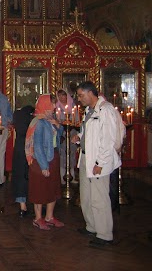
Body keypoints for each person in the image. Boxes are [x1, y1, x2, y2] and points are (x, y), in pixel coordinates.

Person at [73, 81, 123, 247]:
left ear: (90, 93)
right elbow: (88, 132)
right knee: (86, 196)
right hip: (86, 158)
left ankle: (104, 234)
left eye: (81, 95)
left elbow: (107, 140)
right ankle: (92, 226)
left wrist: (100, 163)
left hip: (98, 161)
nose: (79, 99)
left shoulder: (105, 110)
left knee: (99, 198)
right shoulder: (89, 110)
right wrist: (79, 138)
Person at [25, 94, 64, 230]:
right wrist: (43, 165)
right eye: (52, 104)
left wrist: (58, 126)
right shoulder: (39, 122)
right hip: (40, 160)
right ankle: (38, 218)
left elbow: (59, 136)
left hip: (52, 156)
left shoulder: (50, 119)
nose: (55, 106)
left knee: (52, 187)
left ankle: (49, 216)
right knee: (40, 189)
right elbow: (38, 146)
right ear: (45, 104)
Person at [11, 105, 35, 217]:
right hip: (29, 147)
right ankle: (35, 204)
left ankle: (22, 206)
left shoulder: (18, 116)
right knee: (29, 175)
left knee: (20, 175)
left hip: (19, 147)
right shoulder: (33, 120)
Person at [55, 89, 78, 184]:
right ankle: (62, 176)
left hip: (71, 131)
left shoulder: (72, 105)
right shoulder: (56, 107)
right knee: (62, 153)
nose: (61, 97)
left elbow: (76, 119)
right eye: (59, 96)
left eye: (63, 95)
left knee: (71, 153)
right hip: (61, 132)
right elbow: (56, 120)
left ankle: (71, 175)